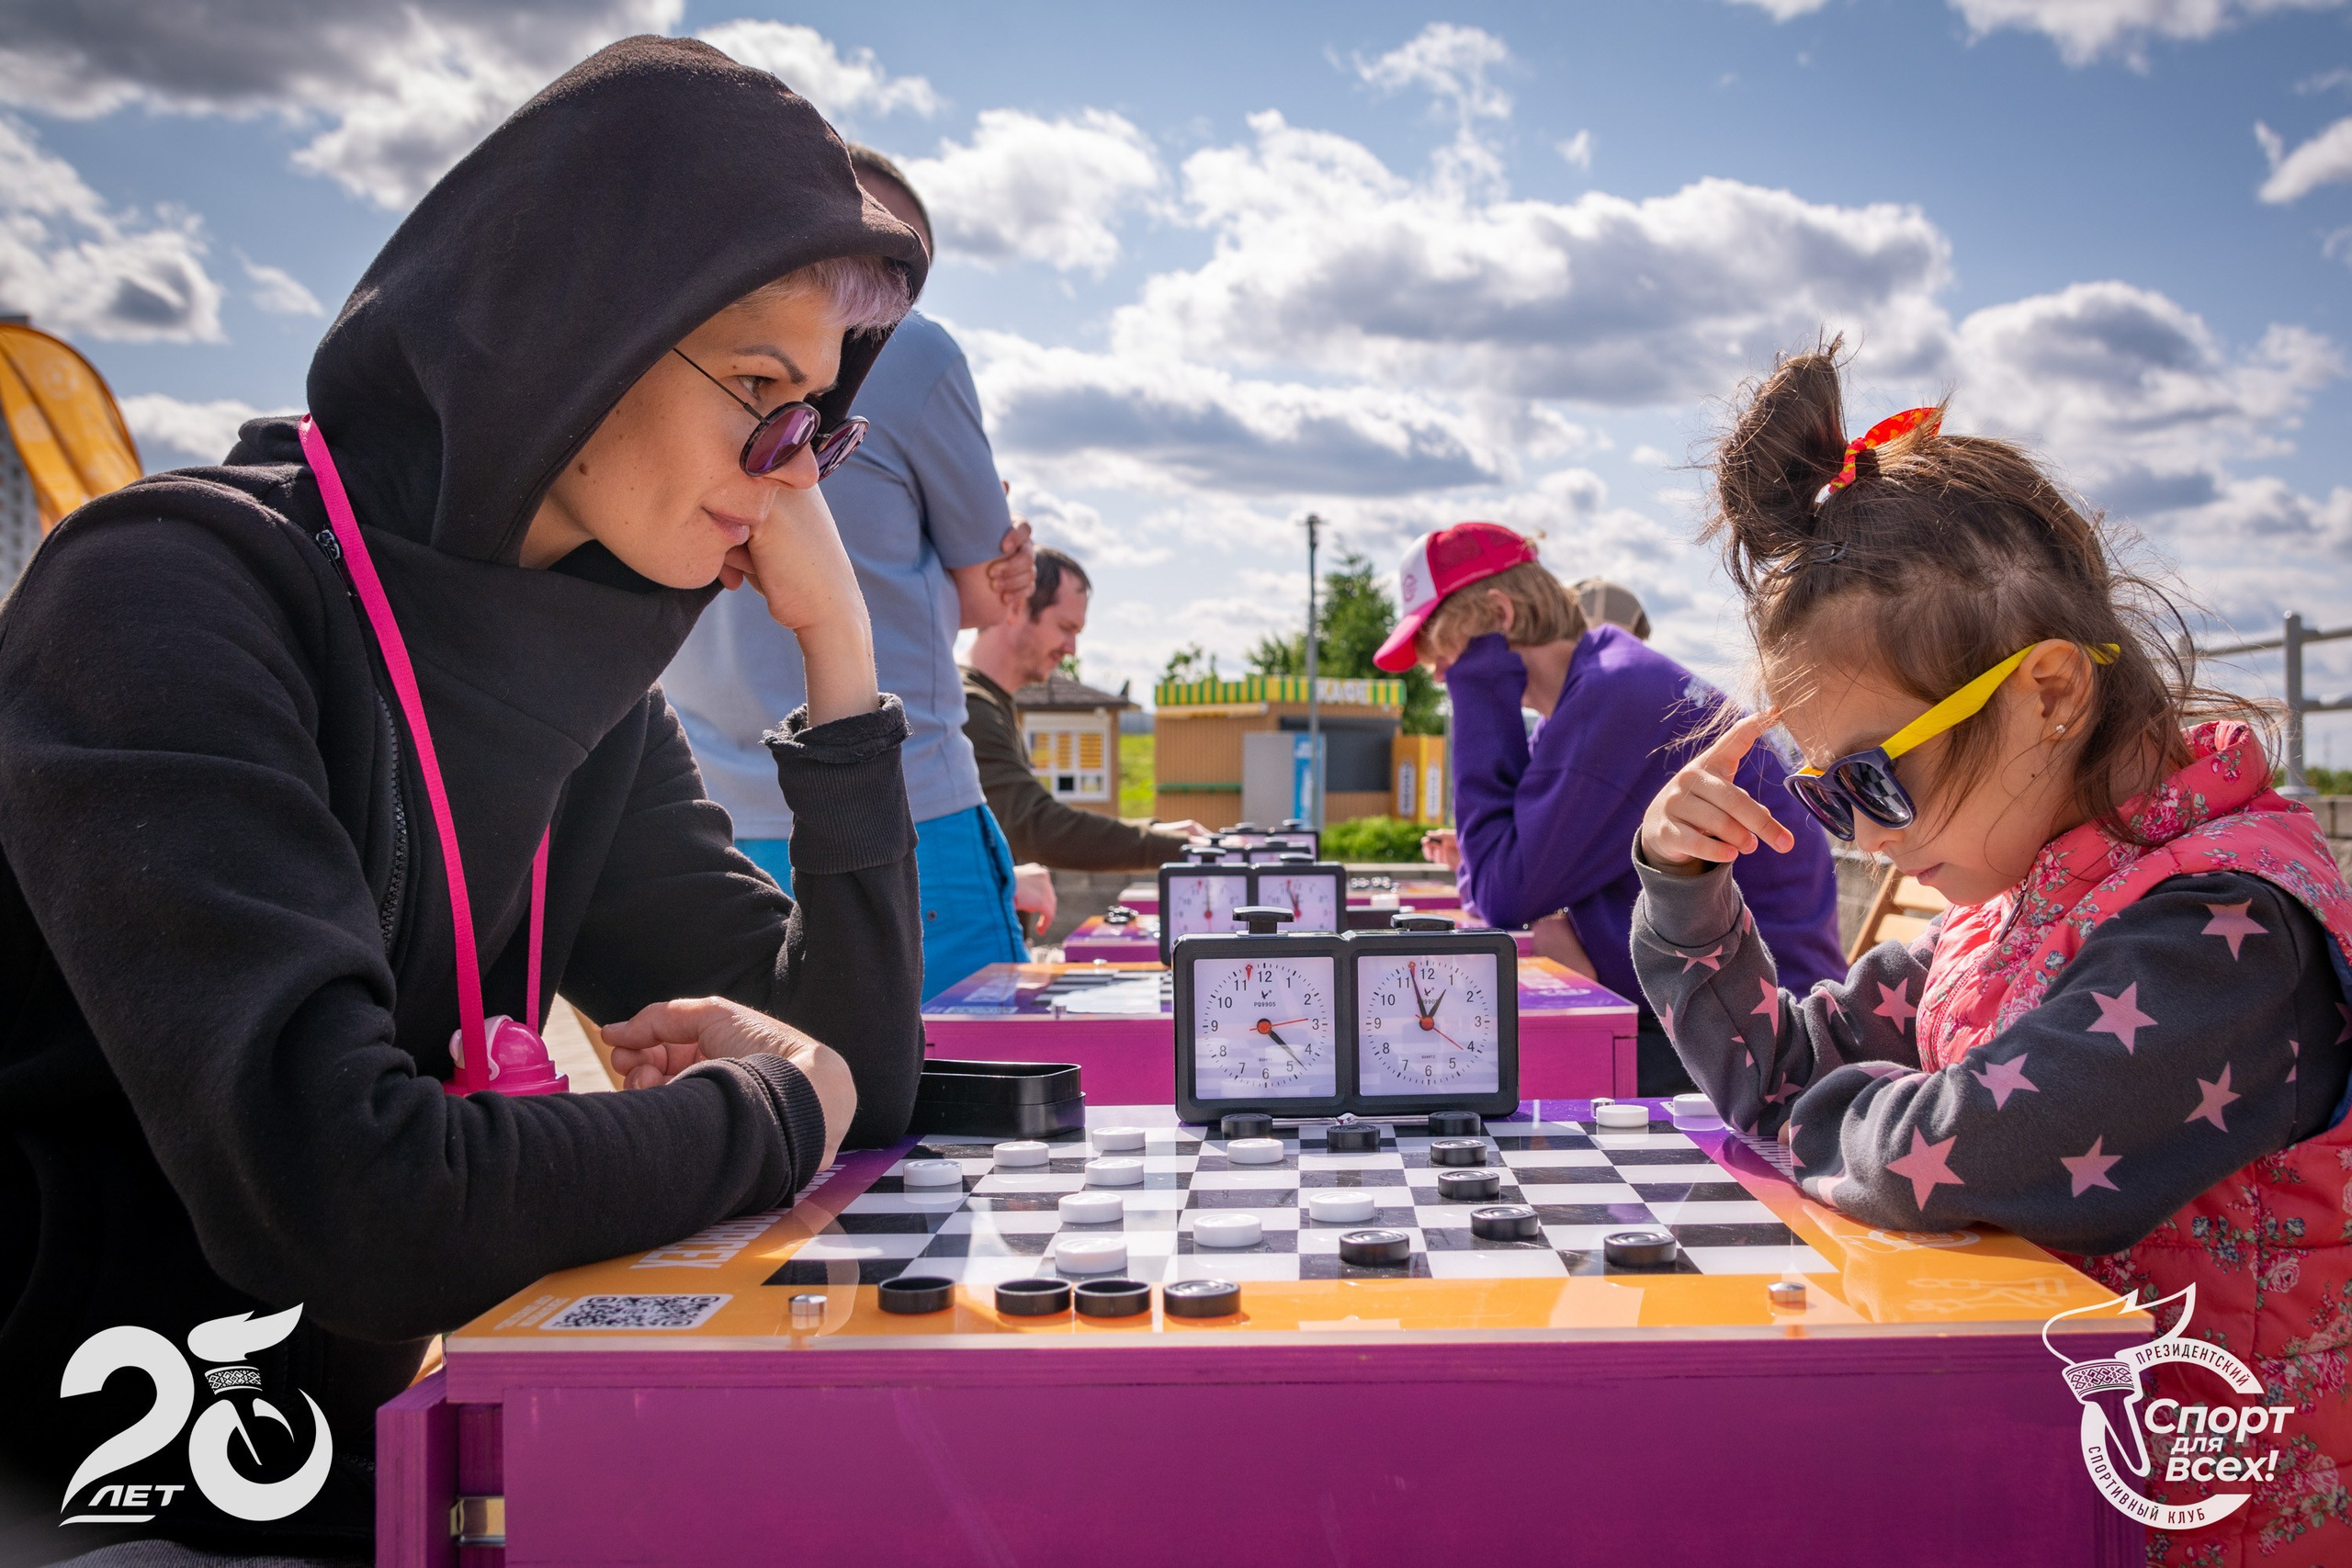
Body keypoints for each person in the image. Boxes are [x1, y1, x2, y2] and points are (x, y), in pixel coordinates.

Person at [0, 39, 929, 1564]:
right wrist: (771, 1108)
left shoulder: (591, 694)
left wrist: (839, 665)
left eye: (817, 427)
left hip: (358, 1467)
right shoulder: (162, 598)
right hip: (95, 1481)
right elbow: (345, 1200)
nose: (789, 475)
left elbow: (861, 1077)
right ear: (573, 329)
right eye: (762, 397)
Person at [1634, 344, 2352, 1563]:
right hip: (2075, 1491)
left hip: (2229, 1526)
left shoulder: (2228, 933)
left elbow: (1949, 1149)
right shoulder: (2003, 907)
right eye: (1820, 793)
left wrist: (1830, 1117)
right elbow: (1781, 1075)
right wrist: (1686, 888)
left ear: (2054, 692)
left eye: (1871, 774)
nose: (1857, 832)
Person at [664, 145, 1044, 1002]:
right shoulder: (914, 350)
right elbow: (988, 597)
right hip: (902, 802)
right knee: (962, 1106)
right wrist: (1004, 565)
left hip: (703, 813)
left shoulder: (676, 325)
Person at [1373, 521, 1843, 1096]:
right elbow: (1497, 884)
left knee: (1473, 1075)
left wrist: (1480, 684)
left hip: (1770, 1050)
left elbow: (1498, 892)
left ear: (1499, 615)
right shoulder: (1593, 691)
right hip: (1719, 1019)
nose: (1438, 673)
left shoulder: (1611, 700)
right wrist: (1535, 909)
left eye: (1439, 649)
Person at [963, 548, 1205, 872]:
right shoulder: (970, 707)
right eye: (1065, 627)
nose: (1071, 648)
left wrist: (1155, 831)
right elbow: (1036, 827)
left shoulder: (989, 703)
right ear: (1016, 607)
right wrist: (1178, 847)